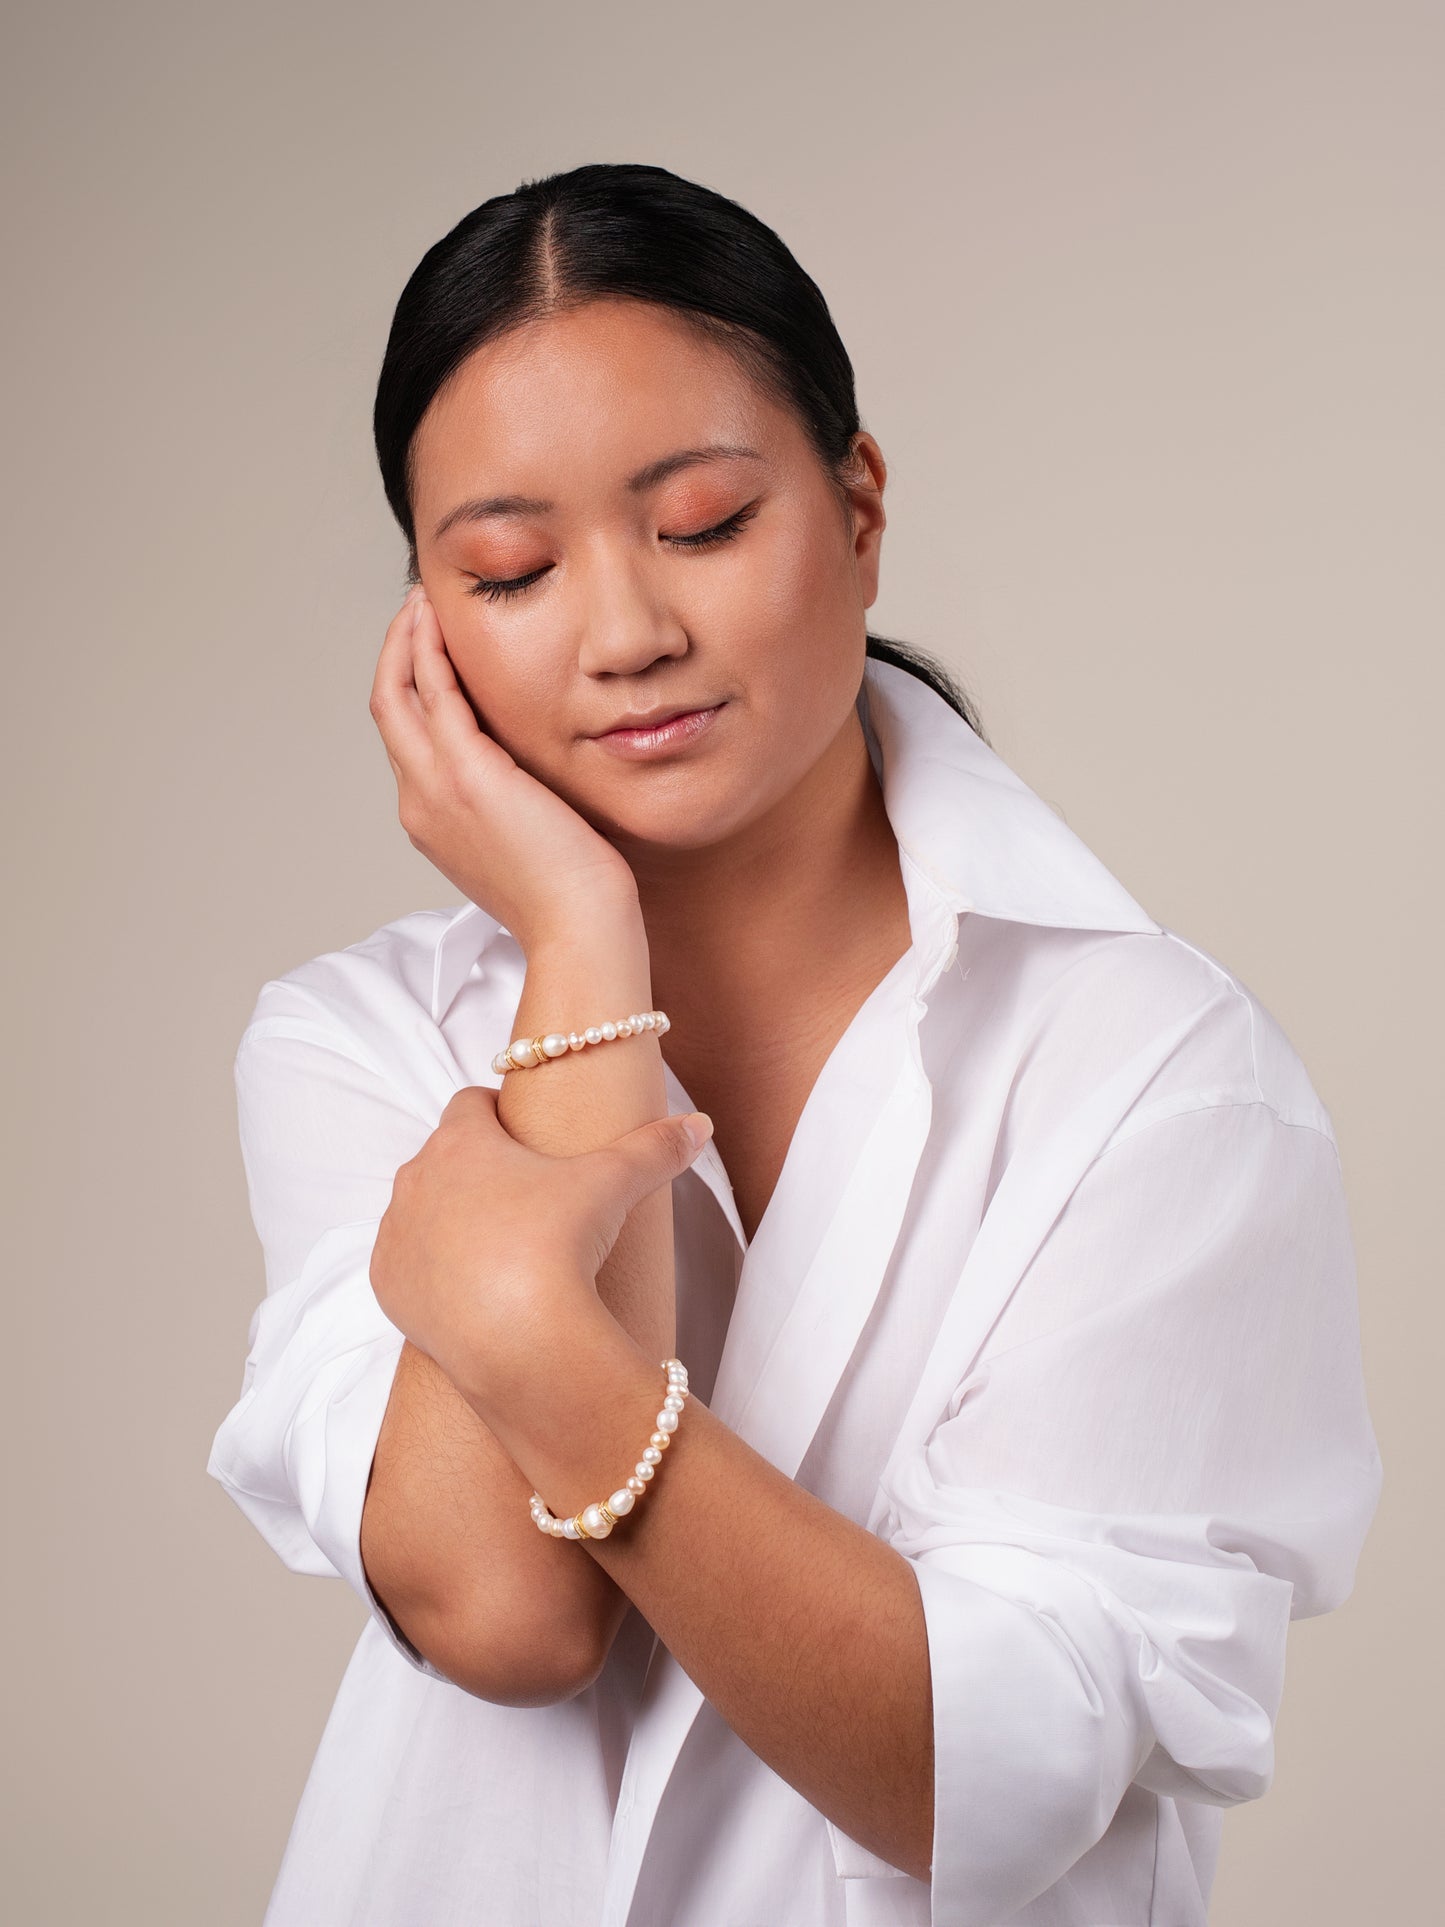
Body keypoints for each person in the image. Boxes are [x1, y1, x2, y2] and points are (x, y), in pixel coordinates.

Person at [207, 162, 1383, 1927]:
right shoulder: (357, 1041)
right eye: (512, 571)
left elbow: (967, 1769)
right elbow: (509, 1616)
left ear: (857, 506)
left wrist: (532, 1329)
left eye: (697, 525)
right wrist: (577, 937)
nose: (625, 634)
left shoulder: (1157, 1076)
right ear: (428, 631)